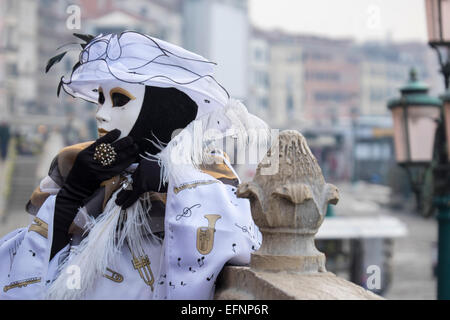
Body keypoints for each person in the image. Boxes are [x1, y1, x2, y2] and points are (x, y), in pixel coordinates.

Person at [0, 31, 268, 300]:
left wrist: (176, 183)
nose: (100, 113)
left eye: (119, 100)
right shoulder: (76, 166)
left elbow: (246, 245)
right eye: (101, 99)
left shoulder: (208, 173)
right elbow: (31, 272)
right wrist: (71, 196)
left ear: (161, 110)